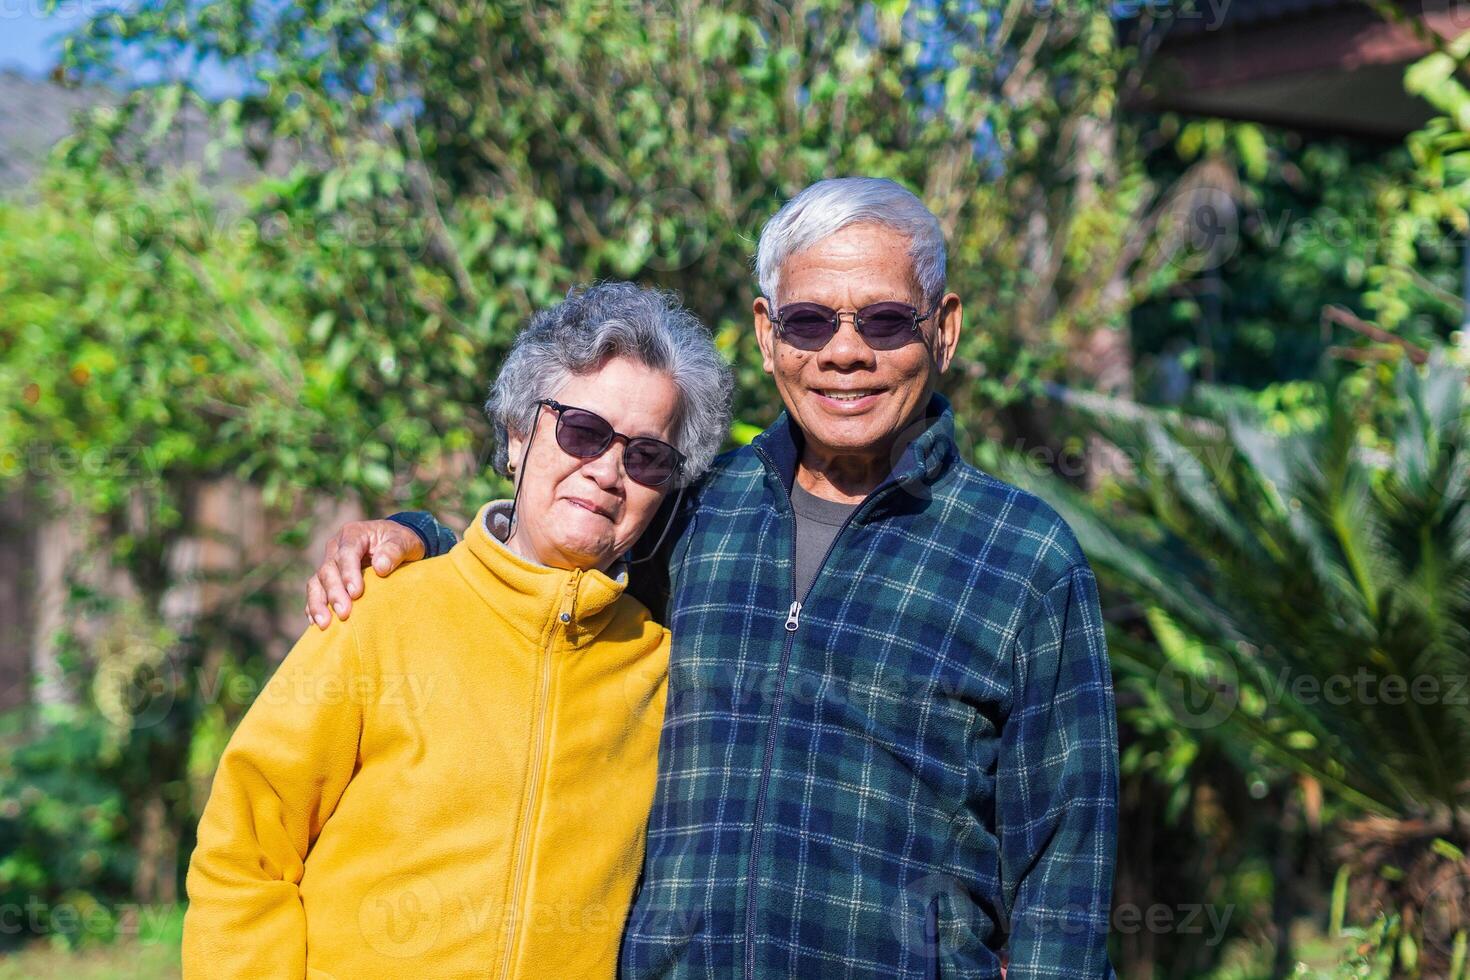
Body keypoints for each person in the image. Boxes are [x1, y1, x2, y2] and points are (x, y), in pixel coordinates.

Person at [308, 177, 1120, 978]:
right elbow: (540, 574)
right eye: (808, 322)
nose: (844, 351)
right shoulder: (690, 506)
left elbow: (1066, 870)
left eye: (884, 320)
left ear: (942, 331)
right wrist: (416, 538)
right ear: (768, 336)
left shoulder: (1023, 558)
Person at [183, 282, 732, 978]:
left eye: (646, 456)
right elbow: (246, 852)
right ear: (518, 434)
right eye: (583, 432)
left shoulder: (660, 674)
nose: (607, 471)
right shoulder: (379, 612)